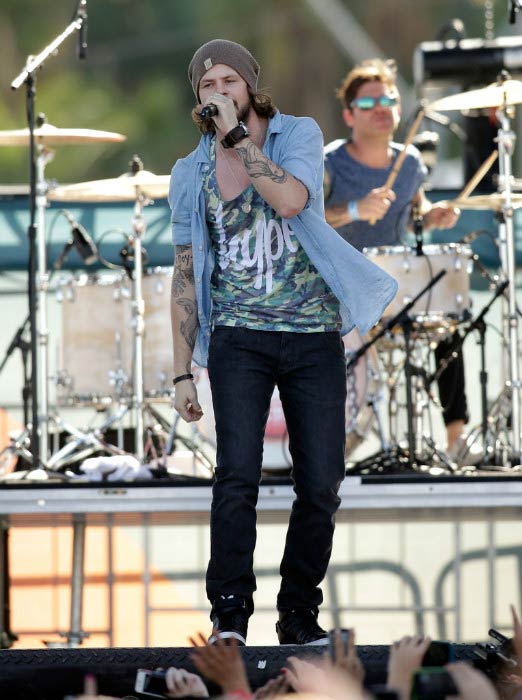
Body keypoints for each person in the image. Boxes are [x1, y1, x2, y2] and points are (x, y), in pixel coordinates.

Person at [168, 39, 397, 646]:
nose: (219, 91)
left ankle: (298, 614)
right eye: (208, 84)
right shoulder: (189, 172)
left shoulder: (296, 133)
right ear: (198, 97)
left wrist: (240, 141)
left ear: (249, 85)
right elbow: (186, 273)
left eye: (229, 80)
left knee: (320, 481)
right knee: (236, 476)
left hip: (312, 332)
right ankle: (230, 619)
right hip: (239, 336)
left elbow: (292, 199)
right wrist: (181, 370)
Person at [324, 58, 468, 454]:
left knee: (448, 317)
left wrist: (433, 217)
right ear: (349, 115)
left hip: (393, 286)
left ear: (400, 109)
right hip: (341, 289)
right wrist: (354, 210)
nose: (382, 108)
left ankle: (456, 437)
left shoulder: (410, 164)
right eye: (369, 104)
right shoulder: (330, 162)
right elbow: (302, 216)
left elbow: (414, 211)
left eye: (389, 100)